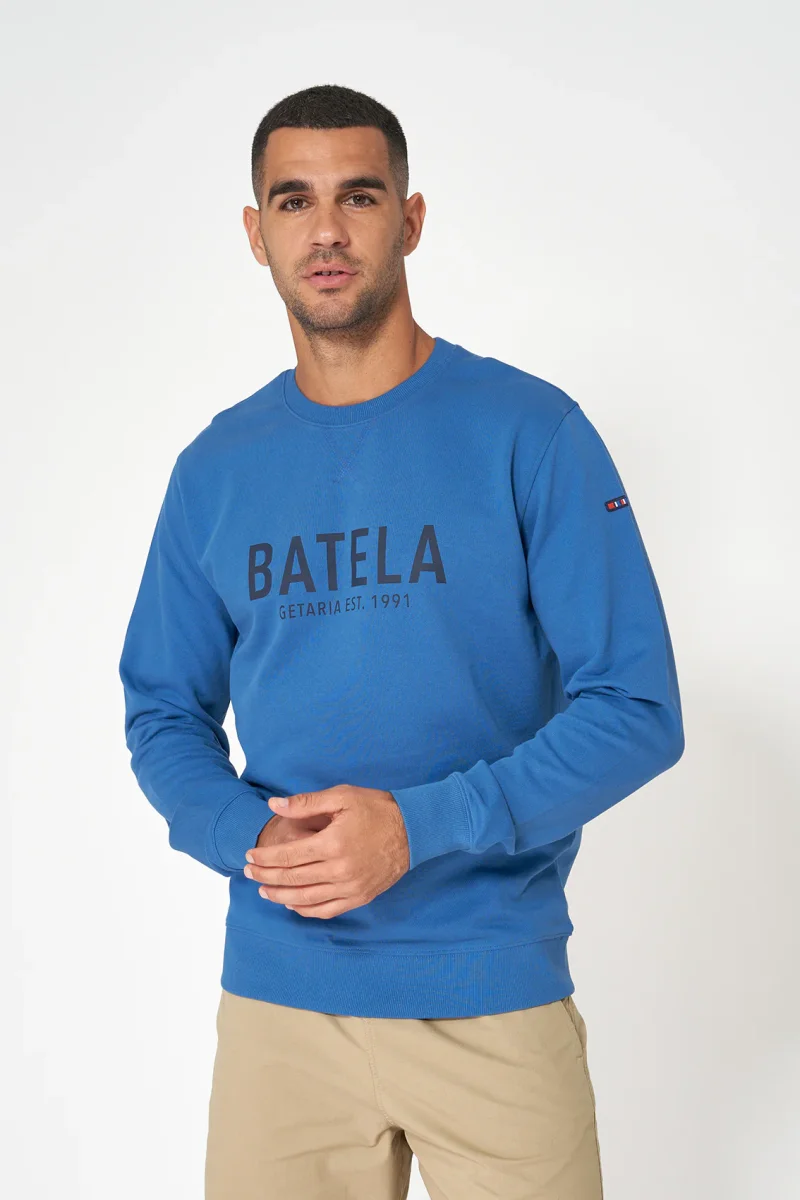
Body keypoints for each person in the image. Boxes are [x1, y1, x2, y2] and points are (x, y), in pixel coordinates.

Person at [118, 82, 685, 1200]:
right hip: (281, 1008)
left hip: (490, 995)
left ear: (410, 219)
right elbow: (161, 712)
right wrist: (252, 839)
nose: (326, 230)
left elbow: (637, 709)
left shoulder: (530, 432)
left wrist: (417, 828)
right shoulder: (216, 470)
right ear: (256, 233)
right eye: (294, 201)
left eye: (359, 197)